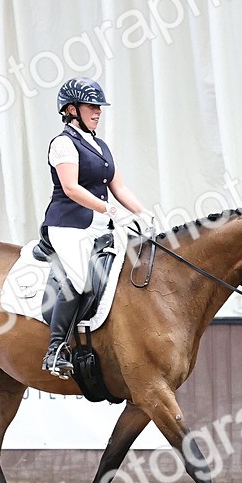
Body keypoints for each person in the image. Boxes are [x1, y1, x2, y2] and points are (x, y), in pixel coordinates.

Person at [40, 77, 156, 379]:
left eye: (99, 107)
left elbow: (118, 186)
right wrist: (110, 210)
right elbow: (71, 187)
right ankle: (55, 352)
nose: (98, 111)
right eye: (92, 106)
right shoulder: (63, 143)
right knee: (78, 279)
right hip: (68, 226)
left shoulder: (100, 145)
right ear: (71, 109)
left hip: (99, 225)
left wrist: (144, 213)